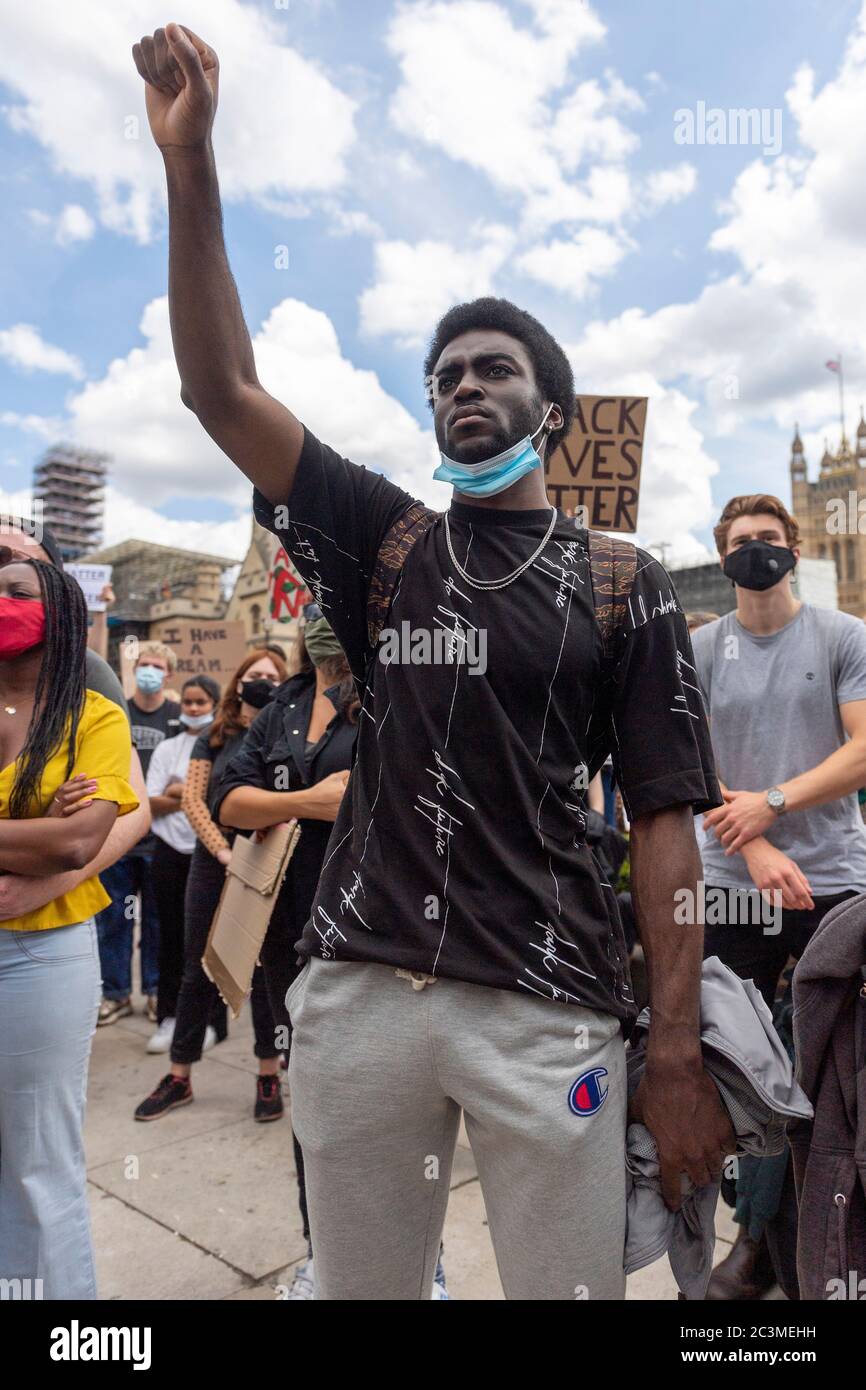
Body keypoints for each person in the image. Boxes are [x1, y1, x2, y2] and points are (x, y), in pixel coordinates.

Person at [134, 23, 731, 1302]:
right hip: (358, 997)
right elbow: (218, 388)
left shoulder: (619, 580)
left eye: (494, 368)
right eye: (444, 373)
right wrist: (192, 164)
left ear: (546, 411)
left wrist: (671, 1050)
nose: (464, 384)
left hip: (545, 1007)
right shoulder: (383, 539)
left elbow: (668, 824)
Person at [692, 494, 866, 1300]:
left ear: (793, 548)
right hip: (732, 884)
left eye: (767, 539)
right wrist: (754, 837)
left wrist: (776, 803)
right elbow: (682, 766)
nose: (754, 551)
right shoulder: (696, 650)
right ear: (720, 553)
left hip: (835, 878)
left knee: (840, 1063)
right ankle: (756, 1238)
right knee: (741, 1064)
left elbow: (863, 750)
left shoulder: (841, 636)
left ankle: (841, 1224)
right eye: (740, 542)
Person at [0, 548, 138, 1298]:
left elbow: (79, 840)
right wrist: (37, 831)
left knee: (38, 1156)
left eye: (16, 591)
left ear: (57, 612)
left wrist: (54, 843)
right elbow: (50, 835)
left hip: (41, 957)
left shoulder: (96, 711)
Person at [215, 610, 356, 1298]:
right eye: (315, 608)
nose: (323, 619)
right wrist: (311, 801)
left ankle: (424, 1259)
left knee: (384, 1117)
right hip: (286, 938)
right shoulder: (288, 704)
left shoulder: (395, 694)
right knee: (314, 1115)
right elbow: (227, 799)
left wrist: (279, 804)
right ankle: (322, 1255)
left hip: (371, 944)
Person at [134, 648, 288, 1121]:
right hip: (212, 858)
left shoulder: (288, 734)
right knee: (197, 964)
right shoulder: (216, 735)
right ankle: (179, 1075)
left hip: (264, 861)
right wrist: (221, 850)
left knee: (262, 970)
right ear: (239, 680)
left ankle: (268, 1075)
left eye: (271, 675)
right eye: (254, 674)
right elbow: (195, 800)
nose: (261, 681)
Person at [0, 520, 150, 929]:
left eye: (21, 572)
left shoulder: (89, 681)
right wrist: (38, 833)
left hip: (42, 930)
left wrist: (51, 882)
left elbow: (129, 810)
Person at [96, 639, 181, 1026]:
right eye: (144, 664)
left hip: (161, 839)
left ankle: (154, 992)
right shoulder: (117, 710)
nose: (150, 671)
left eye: (158, 666)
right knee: (113, 918)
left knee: (157, 921)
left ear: (169, 673)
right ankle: (114, 994)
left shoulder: (181, 716)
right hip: (117, 837)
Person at [145, 673, 221, 1053]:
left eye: (201, 703)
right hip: (169, 853)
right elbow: (149, 802)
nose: (193, 709)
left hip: (209, 852)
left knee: (209, 942)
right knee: (170, 938)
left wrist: (178, 789)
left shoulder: (222, 747)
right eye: (188, 702)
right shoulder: (167, 748)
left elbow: (222, 800)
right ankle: (169, 1018)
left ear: (214, 706)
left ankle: (211, 1021)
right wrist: (192, 795)